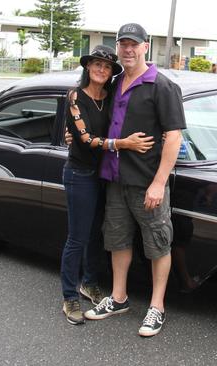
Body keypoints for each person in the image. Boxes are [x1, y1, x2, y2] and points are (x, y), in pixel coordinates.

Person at [84, 23, 186, 338]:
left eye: (134, 44)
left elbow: (173, 137)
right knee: (117, 240)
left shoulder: (162, 86)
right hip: (115, 179)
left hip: (147, 183)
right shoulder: (115, 82)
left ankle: (157, 307)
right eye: (123, 44)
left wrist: (159, 183)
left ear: (146, 46)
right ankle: (118, 298)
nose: (128, 50)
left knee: (157, 244)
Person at [61, 45, 154, 325]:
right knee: (76, 237)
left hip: (105, 173)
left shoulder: (111, 95)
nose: (101, 70)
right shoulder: (76, 96)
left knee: (95, 233)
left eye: (106, 66)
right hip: (80, 174)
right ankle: (69, 297)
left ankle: (88, 283)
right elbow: (87, 139)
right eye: (96, 64)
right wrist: (123, 144)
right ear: (87, 67)